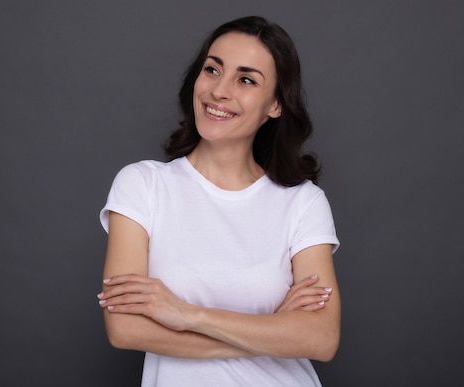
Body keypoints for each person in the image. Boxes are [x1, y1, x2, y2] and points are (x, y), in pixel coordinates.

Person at [97, 15, 340, 386]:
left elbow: (320, 339)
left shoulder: (303, 203)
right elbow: (125, 328)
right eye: (212, 70)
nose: (219, 91)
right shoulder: (143, 185)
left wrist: (188, 315)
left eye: (246, 80)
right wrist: (273, 331)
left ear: (275, 104)